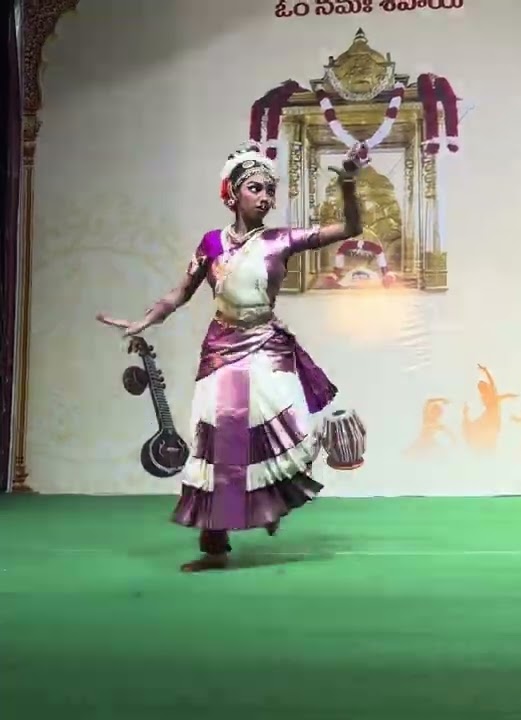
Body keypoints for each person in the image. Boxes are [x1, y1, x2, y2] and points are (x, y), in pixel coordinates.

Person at [97, 141, 366, 572]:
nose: (265, 197)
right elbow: (180, 293)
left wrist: (349, 181)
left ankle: (273, 500)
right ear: (234, 193)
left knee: (285, 426)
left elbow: (350, 227)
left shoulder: (281, 240)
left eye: (270, 191)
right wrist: (145, 320)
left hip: (266, 344)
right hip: (222, 348)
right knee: (221, 445)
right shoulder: (211, 244)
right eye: (257, 188)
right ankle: (216, 545)